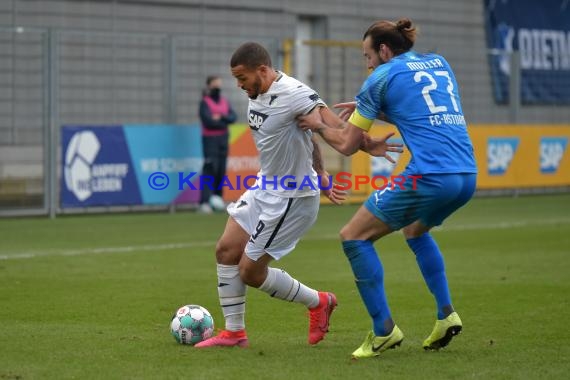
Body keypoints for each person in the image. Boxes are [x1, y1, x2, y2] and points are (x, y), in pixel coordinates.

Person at [297, 18, 478, 359]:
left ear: (383, 49)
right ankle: (445, 314)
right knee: (415, 230)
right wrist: (374, 109)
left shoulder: (378, 78)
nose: (366, 63)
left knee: (353, 236)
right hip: (466, 173)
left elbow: (348, 146)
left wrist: (318, 125)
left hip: (429, 175)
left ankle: (383, 331)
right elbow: (425, 112)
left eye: (367, 55)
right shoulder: (439, 63)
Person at [195, 42, 359, 348]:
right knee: (226, 250)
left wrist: (366, 141)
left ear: (262, 70)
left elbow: (331, 126)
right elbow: (305, 136)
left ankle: (319, 301)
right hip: (264, 187)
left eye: (242, 78)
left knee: (250, 272)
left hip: (292, 198)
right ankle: (234, 333)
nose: (239, 85)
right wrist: (321, 170)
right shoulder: (256, 93)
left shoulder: (295, 92)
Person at [198, 75, 237, 214]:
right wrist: (223, 120)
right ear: (209, 86)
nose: (218, 87)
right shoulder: (205, 102)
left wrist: (220, 117)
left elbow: (233, 117)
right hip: (210, 140)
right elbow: (208, 121)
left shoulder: (224, 102)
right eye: (215, 84)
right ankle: (204, 202)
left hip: (223, 139)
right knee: (210, 169)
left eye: (219, 84)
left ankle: (217, 198)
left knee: (221, 170)